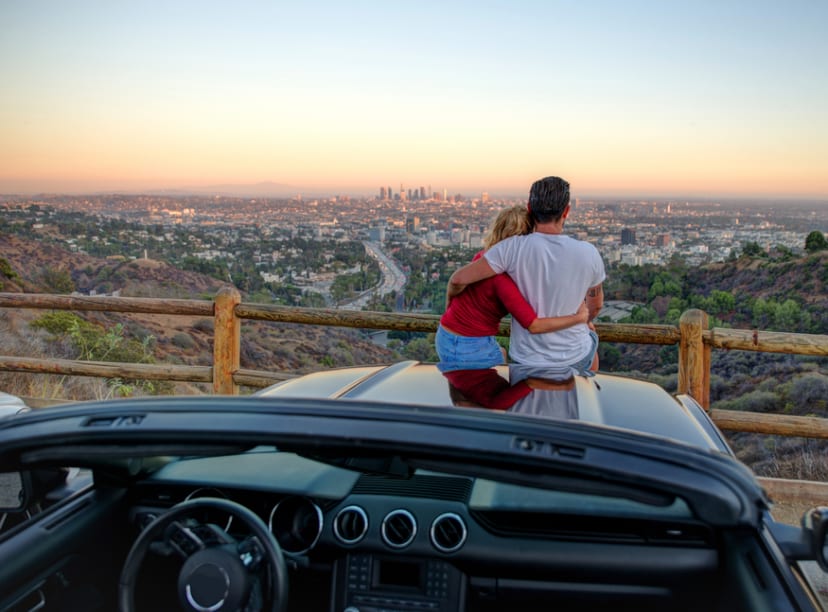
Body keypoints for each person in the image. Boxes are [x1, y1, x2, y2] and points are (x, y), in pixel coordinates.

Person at [447, 176, 605, 378]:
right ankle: (587, 389)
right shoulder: (588, 252)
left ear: (529, 208)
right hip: (574, 355)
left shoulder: (510, 249)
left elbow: (459, 279)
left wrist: (451, 307)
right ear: (566, 211)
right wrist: (584, 320)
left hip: (526, 358)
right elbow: (596, 305)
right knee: (590, 345)